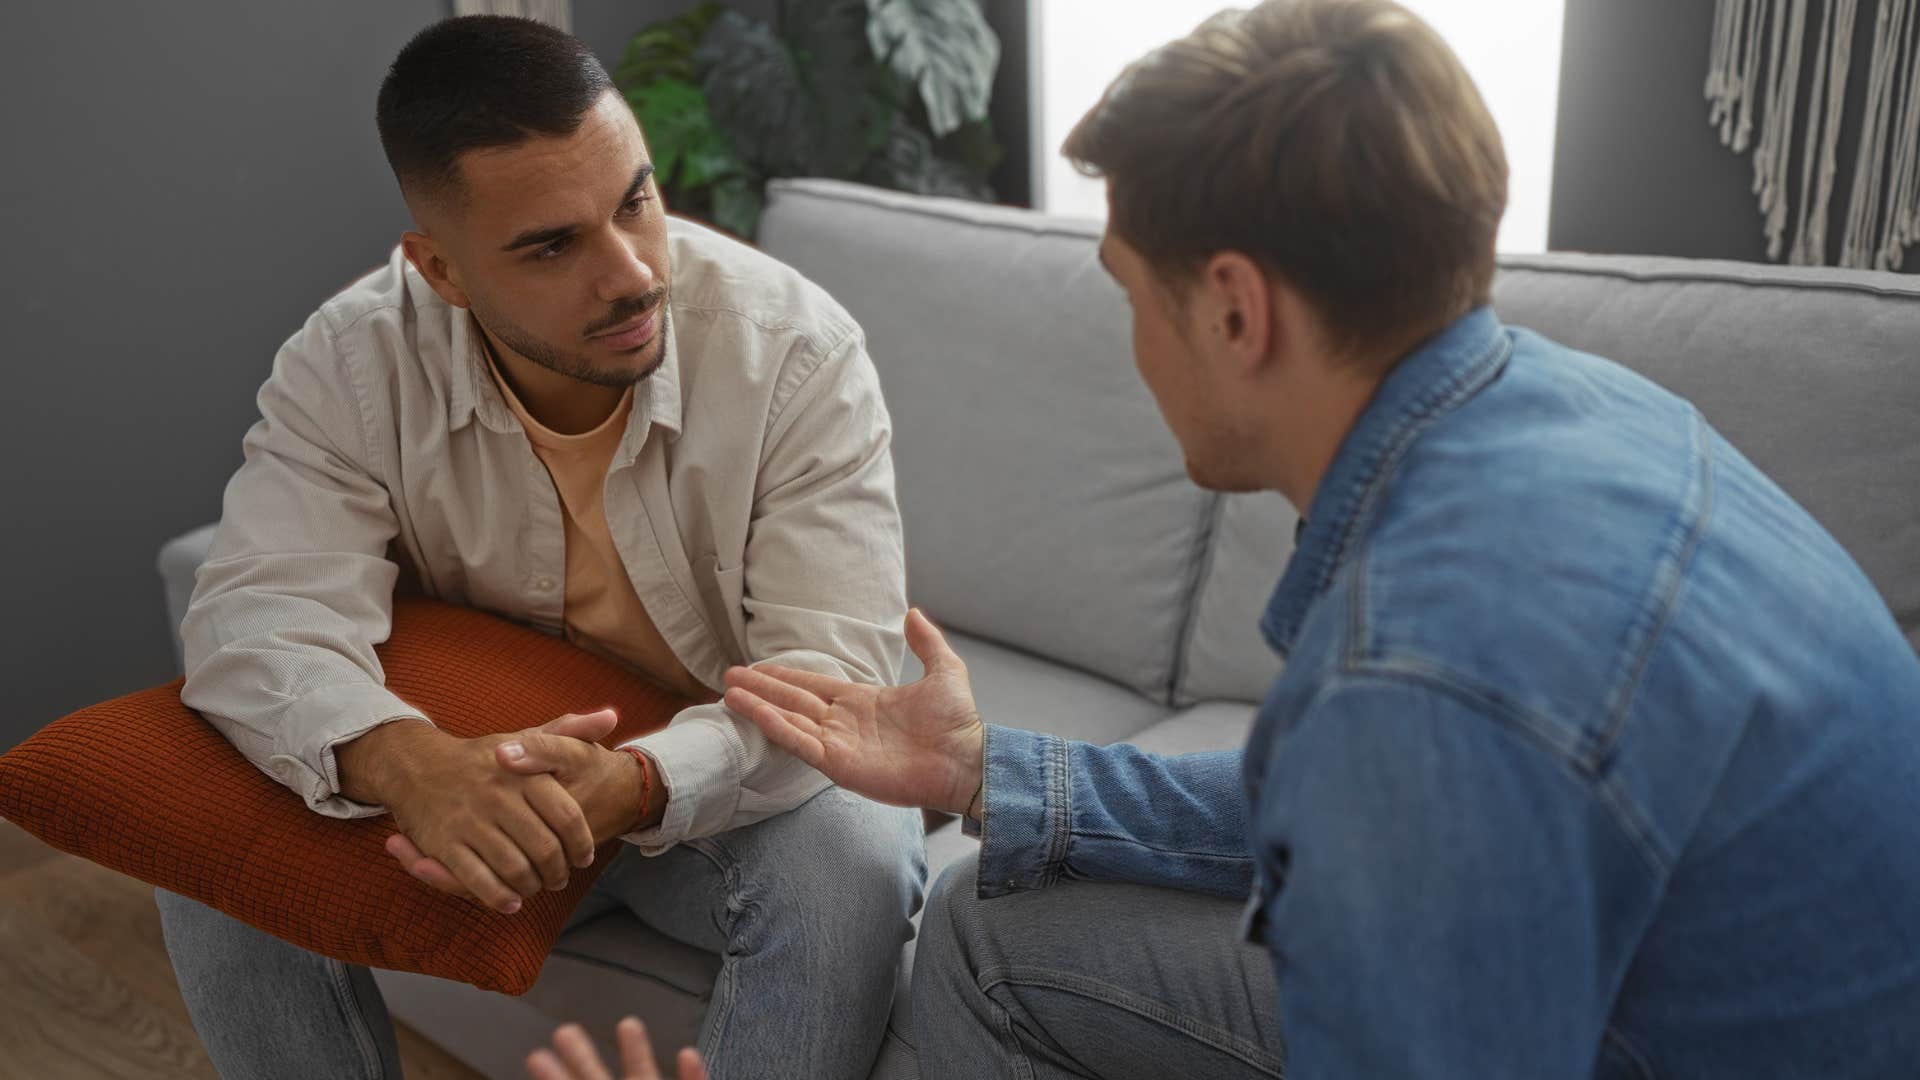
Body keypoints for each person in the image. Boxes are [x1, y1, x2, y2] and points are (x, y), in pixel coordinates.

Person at [714, 1, 1920, 1076]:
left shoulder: (1419, 668)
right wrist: (986, 772)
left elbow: (1412, 762)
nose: (1133, 345)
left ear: (1236, 310)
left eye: (1130, 293)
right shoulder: (1589, 407)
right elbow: (1358, 806)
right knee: (985, 928)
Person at [157, 15, 923, 1080]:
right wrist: (409, 763)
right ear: (441, 269)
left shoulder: (793, 354)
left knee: (853, 857)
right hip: (466, 790)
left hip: (707, 794)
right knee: (205, 834)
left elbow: (830, 682)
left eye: (636, 202)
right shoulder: (352, 361)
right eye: (554, 246)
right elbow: (254, 613)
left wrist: (638, 783)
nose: (631, 273)